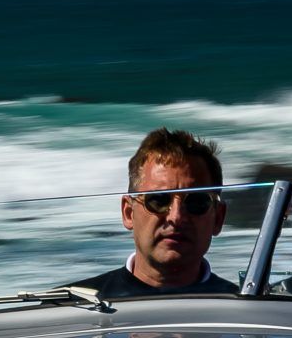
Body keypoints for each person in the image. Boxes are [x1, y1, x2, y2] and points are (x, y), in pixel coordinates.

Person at [69, 128, 240, 300]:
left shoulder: (248, 314)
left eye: (196, 202)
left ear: (218, 218)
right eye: (159, 200)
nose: (176, 217)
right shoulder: (74, 308)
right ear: (128, 213)